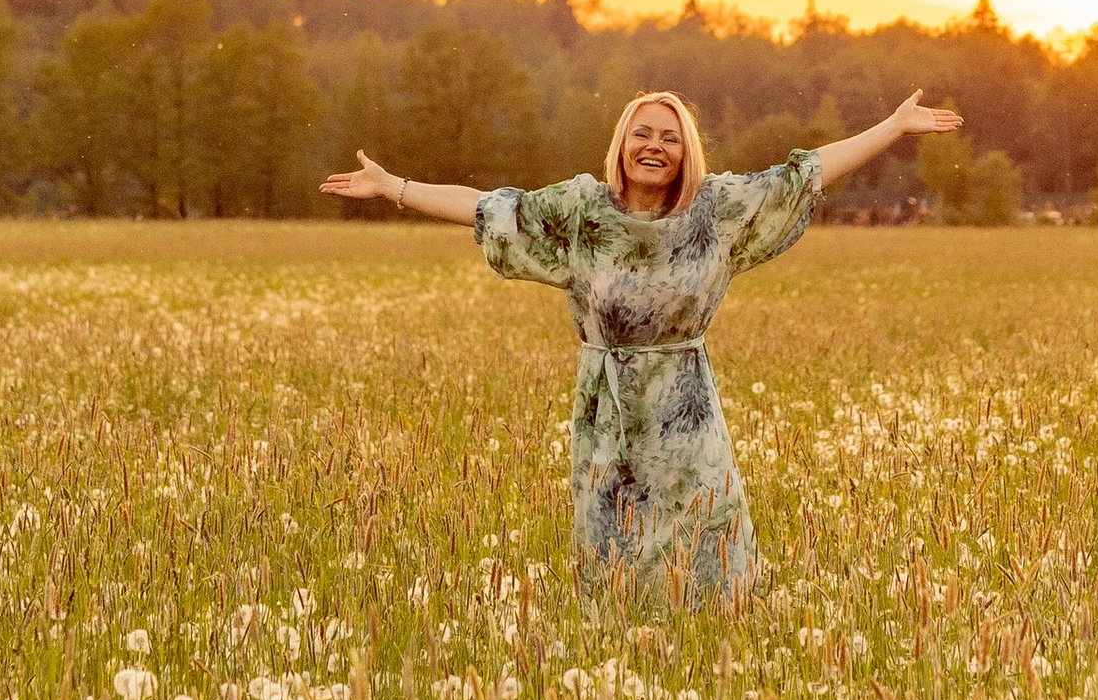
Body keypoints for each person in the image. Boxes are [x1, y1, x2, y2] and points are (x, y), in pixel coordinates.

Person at [320, 87, 960, 602]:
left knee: (705, 556)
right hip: (609, 418)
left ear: (688, 153)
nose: (654, 146)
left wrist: (892, 127)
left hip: (688, 421)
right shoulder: (579, 212)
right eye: (642, 133)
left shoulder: (715, 212)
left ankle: (710, 662)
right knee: (615, 561)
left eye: (670, 137)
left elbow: (803, 175)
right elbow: (490, 207)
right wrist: (395, 188)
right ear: (621, 144)